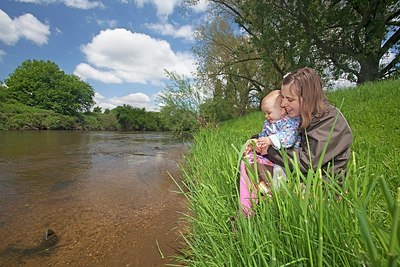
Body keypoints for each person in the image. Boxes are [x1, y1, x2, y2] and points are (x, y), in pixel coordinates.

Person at [239, 67, 353, 217]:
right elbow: (282, 134)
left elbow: (308, 162)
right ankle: (250, 213)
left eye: (290, 99)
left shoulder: (330, 121)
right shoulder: (303, 116)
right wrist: (256, 140)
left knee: (256, 167)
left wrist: (269, 151)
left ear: (308, 97)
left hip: (322, 188)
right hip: (303, 178)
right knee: (249, 162)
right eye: (283, 97)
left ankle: (254, 216)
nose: (283, 104)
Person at [240, 90, 301, 215]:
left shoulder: (291, 121)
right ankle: (249, 204)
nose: (266, 116)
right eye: (265, 113)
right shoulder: (269, 123)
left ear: (282, 110)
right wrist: (257, 143)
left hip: (285, 158)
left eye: (269, 113)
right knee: (248, 161)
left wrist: (270, 140)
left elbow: (289, 139)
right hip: (271, 155)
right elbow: (263, 135)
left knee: (279, 174)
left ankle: (278, 200)